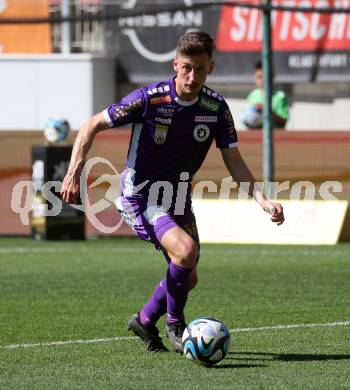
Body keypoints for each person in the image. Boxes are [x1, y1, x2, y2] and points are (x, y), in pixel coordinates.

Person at [61, 31, 285, 354]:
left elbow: (233, 160)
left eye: (201, 69)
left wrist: (263, 201)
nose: (193, 76)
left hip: (177, 197)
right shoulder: (150, 99)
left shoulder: (216, 108)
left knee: (188, 276)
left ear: (211, 67)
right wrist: (73, 171)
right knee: (186, 250)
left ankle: (144, 319)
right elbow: (91, 124)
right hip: (139, 195)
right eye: (187, 68)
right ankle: (175, 326)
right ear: (175, 65)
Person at [241, 60, 289, 129]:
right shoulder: (252, 95)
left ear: (272, 77)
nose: (262, 80)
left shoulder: (279, 97)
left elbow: (284, 122)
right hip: (255, 136)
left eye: (264, 77)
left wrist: (267, 110)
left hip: (275, 137)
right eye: (259, 77)